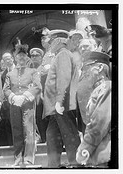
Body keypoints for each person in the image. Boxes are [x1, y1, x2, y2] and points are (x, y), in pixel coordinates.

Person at [43, 31, 83, 168]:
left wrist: (59, 101)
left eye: (51, 42)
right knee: (51, 136)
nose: (49, 45)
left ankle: (78, 166)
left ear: (59, 40)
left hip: (61, 104)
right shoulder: (60, 55)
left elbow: (63, 79)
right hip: (56, 107)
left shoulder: (63, 54)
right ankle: (53, 166)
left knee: (70, 136)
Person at [3, 43, 41, 166]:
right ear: (15, 58)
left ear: (27, 58)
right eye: (19, 56)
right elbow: (6, 89)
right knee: (17, 130)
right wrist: (14, 97)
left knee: (28, 130)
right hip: (14, 104)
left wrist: (24, 96)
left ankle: (29, 158)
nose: (21, 58)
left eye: (24, 56)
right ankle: (18, 158)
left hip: (27, 104)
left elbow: (37, 86)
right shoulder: (10, 74)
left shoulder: (32, 71)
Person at [76, 51, 111, 167]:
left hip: (106, 154)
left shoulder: (107, 88)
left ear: (100, 67)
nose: (83, 71)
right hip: (99, 154)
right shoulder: (99, 89)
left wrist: (84, 149)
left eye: (87, 66)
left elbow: (99, 122)